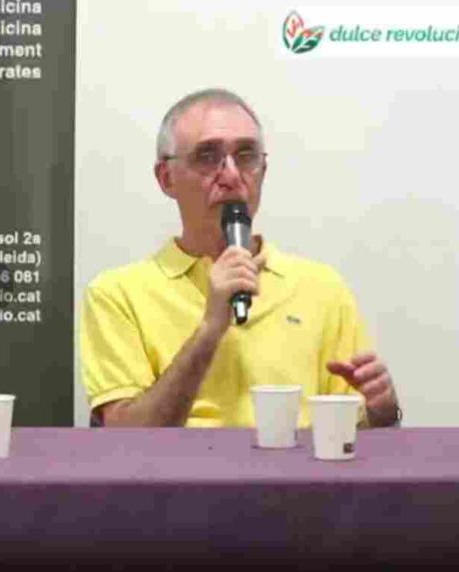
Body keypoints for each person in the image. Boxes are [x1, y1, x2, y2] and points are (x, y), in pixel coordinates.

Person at [80, 88, 401, 428]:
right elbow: (125, 438)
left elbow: (346, 436)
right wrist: (209, 330)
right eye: (207, 156)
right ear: (166, 178)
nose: (232, 175)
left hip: (297, 463)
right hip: (180, 465)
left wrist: (381, 413)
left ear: (264, 169)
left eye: (246, 155)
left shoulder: (323, 288)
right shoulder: (116, 294)